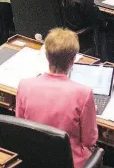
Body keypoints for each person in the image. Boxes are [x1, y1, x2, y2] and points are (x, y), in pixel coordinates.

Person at [16, 28, 98, 168]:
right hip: (70, 163)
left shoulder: (24, 86)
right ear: (73, 60)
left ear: (47, 56)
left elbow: (20, 127)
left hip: (33, 159)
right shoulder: (83, 93)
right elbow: (89, 141)